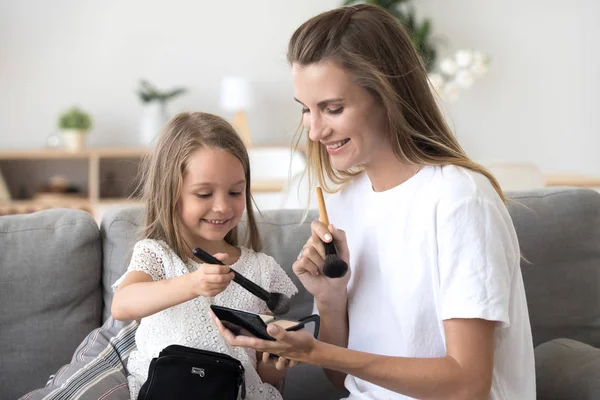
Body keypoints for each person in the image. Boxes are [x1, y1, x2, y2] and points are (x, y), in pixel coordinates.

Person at [213, 4, 536, 399]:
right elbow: (345, 381)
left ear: (388, 96)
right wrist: (330, 301)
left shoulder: (458, 200)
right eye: (305, 110)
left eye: (333, 109)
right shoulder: (344, 202)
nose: (314, 131)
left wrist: (316, 350)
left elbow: (467, 383)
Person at [111, 112, 298, 400]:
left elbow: (261, 374)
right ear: (170, 193)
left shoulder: (262, 270)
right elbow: (123, 305)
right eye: (203, 194)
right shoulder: (156, 255)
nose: (223, 207)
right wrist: (193, 284)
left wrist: (276, 363)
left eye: (235, 192)